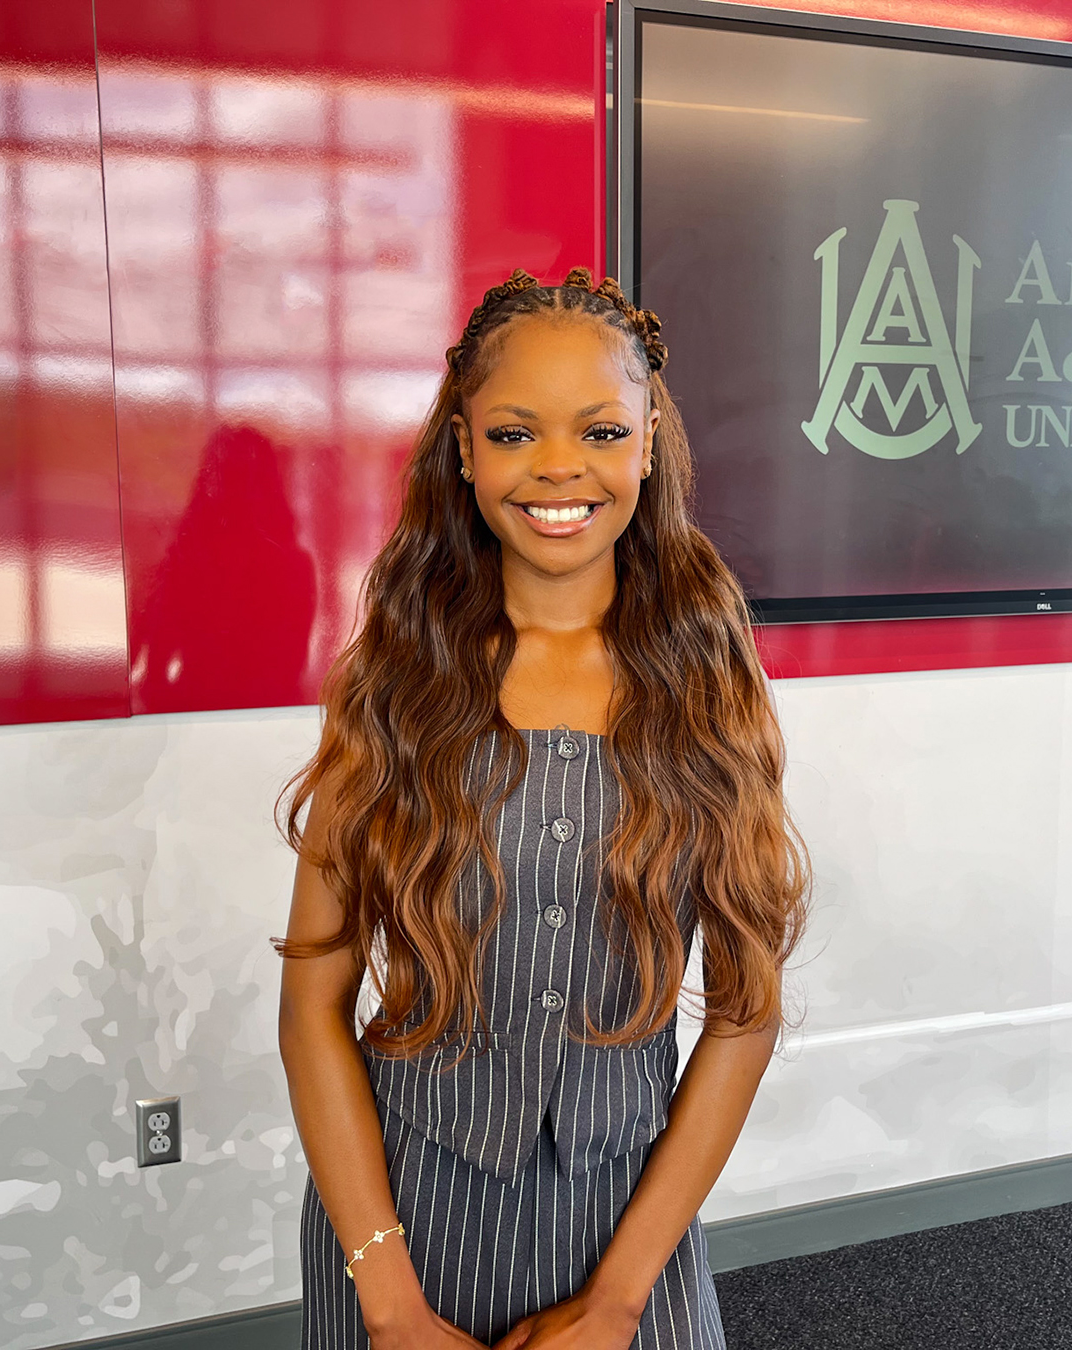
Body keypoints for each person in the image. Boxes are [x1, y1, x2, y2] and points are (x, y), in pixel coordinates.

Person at [276, 267, 809, 1350]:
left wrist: (620, 1301)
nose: (560, 467)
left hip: (632, 1228)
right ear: (463, 449)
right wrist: (388, 1304)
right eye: (515, 433)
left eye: (601, 430)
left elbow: (744, 1013)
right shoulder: (396, 677)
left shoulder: (709, 679)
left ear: (648, 441)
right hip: (402, 1225)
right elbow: (310, 1009)